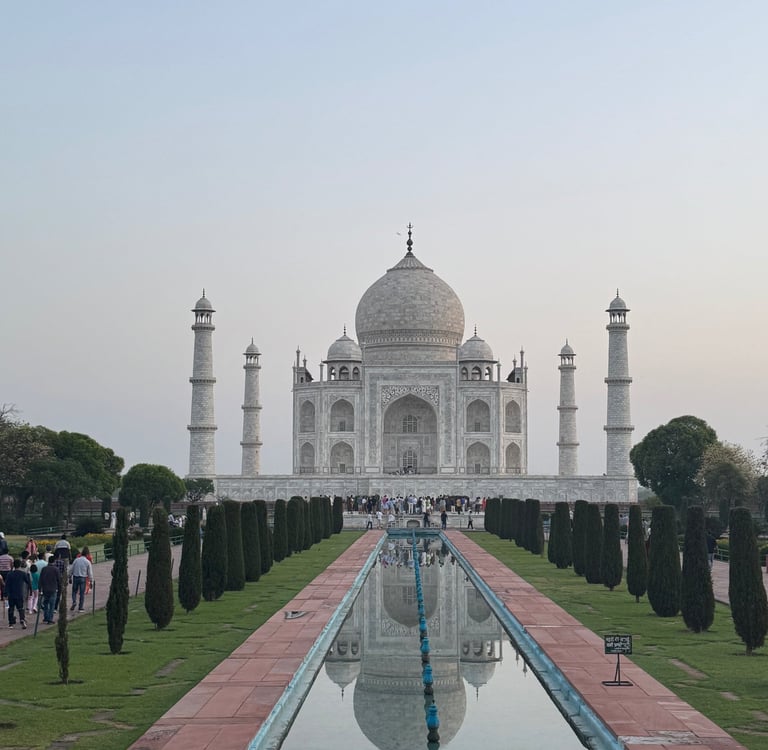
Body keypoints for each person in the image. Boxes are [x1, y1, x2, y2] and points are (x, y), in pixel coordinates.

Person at [5, 559, 31, 629]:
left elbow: (7, 585)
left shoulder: (10, 574)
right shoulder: (23, 574)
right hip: (19, 593)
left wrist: (5, 594)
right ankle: (22, 619)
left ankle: (11, 623)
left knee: (11, 608)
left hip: (11, 594)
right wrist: (30, 590)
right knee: (20, 608)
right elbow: (28, 582)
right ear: (20, 565)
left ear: (13, 565)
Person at [69, 547, 94, 612]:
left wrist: (69, 577)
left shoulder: (76, 560)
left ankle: (74, 601)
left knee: (74, 591)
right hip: (83, 577)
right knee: (82, 593)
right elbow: (90, 573)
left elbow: (71, 569)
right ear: (87, 554)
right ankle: (81, 607)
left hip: (75, 577)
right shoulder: (87, 562)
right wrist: (91, 581)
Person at [39, 558, 61, 624]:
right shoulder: (56, 569)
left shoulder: (44, 569)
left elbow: (41, 579)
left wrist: (40, 589)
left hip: (45, 589)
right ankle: (50, 619)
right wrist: (60, 588)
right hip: (53, 588)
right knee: (52, 605)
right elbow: (58, 580)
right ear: (54, 561)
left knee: (46, 603)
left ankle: (46, 617)